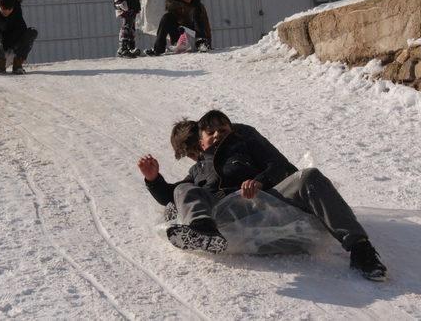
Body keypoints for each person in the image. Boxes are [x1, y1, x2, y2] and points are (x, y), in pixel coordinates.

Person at [137, 110, 388, 281]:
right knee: (183, 189)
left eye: (222, 131)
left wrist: (259, 181)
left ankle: (361, 250)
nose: (216, 136)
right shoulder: (197, 170)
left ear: (232, 131)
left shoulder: (244, 144)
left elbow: (282, 167)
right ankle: (204, 232)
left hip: (265, 205)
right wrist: (153, 179)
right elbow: (173, 196)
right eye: (210, 133)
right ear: (201, 143)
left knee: (310, 176)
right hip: (227, 215)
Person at [144, 0, 212, 56]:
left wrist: (208, 42)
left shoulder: (198, 6)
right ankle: (158, 49)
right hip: (181, 40)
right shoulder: (174, 7)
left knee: (195, 11)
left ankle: (201, 42)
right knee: (166, 17)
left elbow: (206, 26)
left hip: (196, 40)